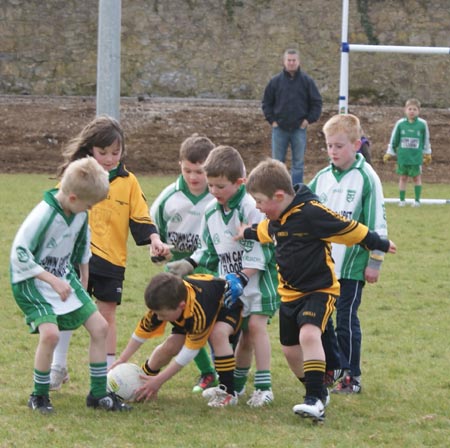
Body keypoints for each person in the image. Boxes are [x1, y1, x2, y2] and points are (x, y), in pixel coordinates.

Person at [236, 158, 396, 422]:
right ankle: (318, 388)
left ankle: (314, 399)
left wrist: (378, 242)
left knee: (309, 335)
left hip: (320, 290)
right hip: (288, 294)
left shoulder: (312, 212)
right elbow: (265, 231)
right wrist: (248, 232)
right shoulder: (276, 219)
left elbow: (349, 229)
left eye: (260, 201)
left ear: (278, 195)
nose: (257, 207)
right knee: (289, 350)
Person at [49, 115, 169, 390]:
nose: (110, 158)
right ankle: (58, 366)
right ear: (90, 149)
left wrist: (154, 239)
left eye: (116, 152)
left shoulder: (128, 182)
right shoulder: (77, 175)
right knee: (67, 309)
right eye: (103, 152)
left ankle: (106, 373)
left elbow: (141, 216)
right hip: (75, 258)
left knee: (107, 316)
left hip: (111, 260)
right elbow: (57, 207)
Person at [10, 157, 131, 413]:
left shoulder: (79, 214)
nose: (91, 209)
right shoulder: (43, 215)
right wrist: (52, 280)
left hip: (63, 278)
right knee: (51, 334)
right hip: (32, 282)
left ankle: (98, 395)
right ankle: (39, 396)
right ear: (74, 198)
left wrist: (83, 282)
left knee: (100, 327)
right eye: (90, 204)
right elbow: (19, 254)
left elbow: (81, 249)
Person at [166, 146, 280, 407]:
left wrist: (240, 277)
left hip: (258, 282)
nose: (214, 192)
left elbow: (260, 250)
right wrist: (188, 263)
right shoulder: (210, 212)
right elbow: (208, 249)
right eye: (211, 186)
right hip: (230, 284)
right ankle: (234, 387)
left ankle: (264, 387)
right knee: (231, 332)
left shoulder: (251, 208)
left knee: (254, 328)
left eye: (220, 186)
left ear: (240, 182)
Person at [309, 114, 388, 394]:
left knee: (346, 319)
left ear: (356, 145)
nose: (333, 151)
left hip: (353, 265)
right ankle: (333, 368)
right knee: (322, 320)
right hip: (324, 265)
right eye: (329, 145)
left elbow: (378, 224)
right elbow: (304, 211)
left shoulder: (367, 178)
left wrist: (375, 262)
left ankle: (352, 376)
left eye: (339, 146)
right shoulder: (321, 178)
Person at [149, 133, 219, 394]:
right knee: (187, 323)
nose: (193, 177)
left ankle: (226, 371)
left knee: (216, 325)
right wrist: (157, 251)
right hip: (179, 269)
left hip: (211, 268)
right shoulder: (169, 197)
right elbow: (154, 232)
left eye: (199, 171)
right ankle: (207, 373)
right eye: (187, 170)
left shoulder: (218, 196)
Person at [114, 272, 243, 407]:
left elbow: (188, 353)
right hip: (192, 310)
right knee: (171, 345)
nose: (158, 318)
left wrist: (159, 380)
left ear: (181, 306)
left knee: (217, 334)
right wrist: (122, 359)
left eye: (162, 314)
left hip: (227, 305)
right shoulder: (162, 300)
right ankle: (143, 381)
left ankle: (228, 392)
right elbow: (142, 332)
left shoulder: (198, 313)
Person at [262, 48, 322, 185]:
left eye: (293, 60)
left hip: (299, 129)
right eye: (288, 60)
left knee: (298, 164)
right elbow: (266, 103)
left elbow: (317, 102)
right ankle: (277, 188)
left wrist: (308, 120)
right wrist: (272, 121)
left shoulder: (307, 82)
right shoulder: (275, 82)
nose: (291, 63)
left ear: (298, 61)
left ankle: (296, 191)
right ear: (284, 62)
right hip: (279, 129)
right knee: (276, 164)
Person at [383, 98, 432, 207]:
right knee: (403, 178)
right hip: (403, 157)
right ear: (405, 110)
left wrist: (427, 153)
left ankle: (417, 201)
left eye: (414, 109)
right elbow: (394, 139)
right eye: (410, 109)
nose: (412, 111)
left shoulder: (422, 124)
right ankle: (402, 200)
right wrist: (390, 152)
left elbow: (426, 139)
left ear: (418, 111)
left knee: (416, 178)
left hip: (415, 157)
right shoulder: (400, 124)